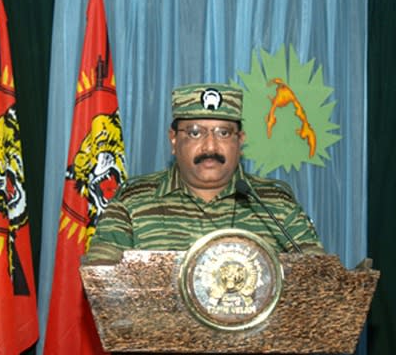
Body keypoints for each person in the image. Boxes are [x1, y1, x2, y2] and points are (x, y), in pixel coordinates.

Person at [85, 82, 323, 261]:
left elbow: (319, 276)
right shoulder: (133, 200)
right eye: (195, 133)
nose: (210, 147)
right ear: (174, 140)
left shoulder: (274, 203)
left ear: (240, 141)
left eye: (223, 133)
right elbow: (100, 280)